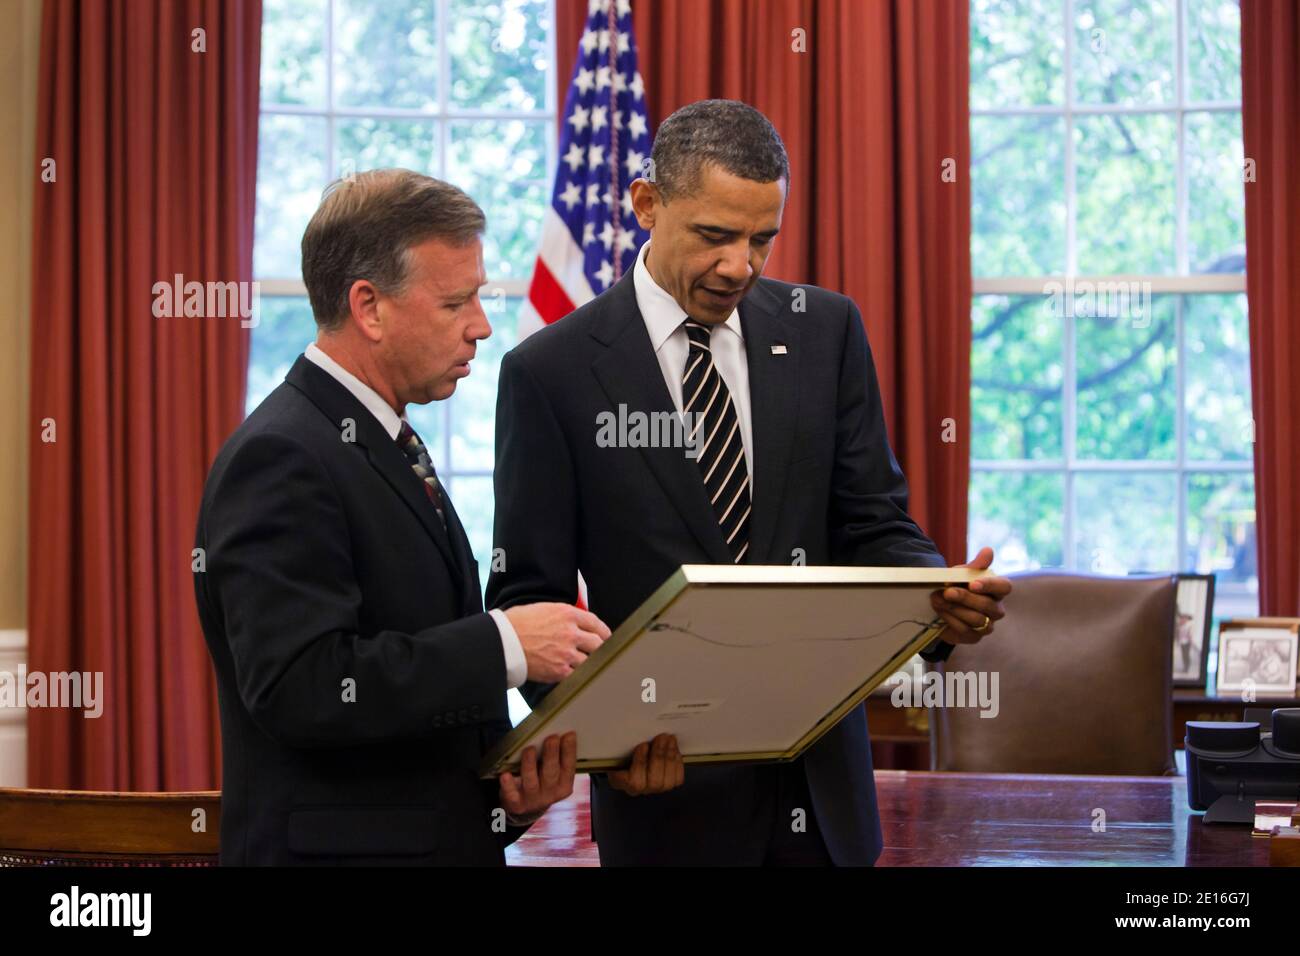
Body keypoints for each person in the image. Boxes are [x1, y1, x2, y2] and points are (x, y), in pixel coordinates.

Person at [488, 100, 1012, 866]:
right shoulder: (550, 373)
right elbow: (527, 600)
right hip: (664, 804)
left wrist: (936, 598)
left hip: (823, 806)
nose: (742, 265)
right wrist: (601, 741)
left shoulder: (825, 331)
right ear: (647, 204)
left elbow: (873, 524)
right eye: (714, 236)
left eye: (762, 238)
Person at [194, 169, 612, 865]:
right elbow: (304, 688)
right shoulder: (281, 454)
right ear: (369, 307)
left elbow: (407, 697)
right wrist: (505, 644)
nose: (481, 325)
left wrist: (501, 800)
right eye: (457, 302)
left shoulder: (385, 438)